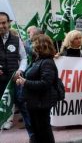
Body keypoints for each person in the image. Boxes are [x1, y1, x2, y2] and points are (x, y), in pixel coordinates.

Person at [16, 34, 58, 143]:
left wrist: (25, 82)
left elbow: (45, 83)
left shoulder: (47, 62)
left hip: (42, 102)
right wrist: (22, 79)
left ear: (41, 46)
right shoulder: (37, 60)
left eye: (34, 44)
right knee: (37, 129)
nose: (32, 46)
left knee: (44, 130)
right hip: (34, 101)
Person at [0, 12, 33, 140]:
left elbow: (24, 58)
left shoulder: (16, 39)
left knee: (24, 108)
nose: (1, 26)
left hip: (15, 81)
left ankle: (33, 137)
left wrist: (20, 70)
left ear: (9, 23)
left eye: (4, 22)